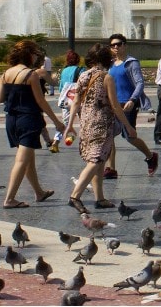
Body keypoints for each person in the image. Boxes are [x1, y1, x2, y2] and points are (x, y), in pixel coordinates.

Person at [64, 43, 138, 214]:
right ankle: (75, 196)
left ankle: (100, 198)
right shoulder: (107, 77)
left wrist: (70, 125)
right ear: (106, 59)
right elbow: (114, 105)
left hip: (86, 124)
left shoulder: (83, 76)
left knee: (100, 161)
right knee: (96, 160)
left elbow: (75, 102)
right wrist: (128, 126)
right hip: (102, 124)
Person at [0, 40, 64, 209]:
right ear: (28, 55)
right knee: (21, 160)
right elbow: (41, 101)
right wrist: (56, 121)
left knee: (28, 158)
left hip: (12, 120)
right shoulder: (31, 75)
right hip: (28, 120)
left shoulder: (6, 74)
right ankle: (10, 199)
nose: (35, 57)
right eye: (34, 54)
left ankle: (39, 192)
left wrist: (14, 93)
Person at [103, 33, 158, 179]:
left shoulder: (131, 62)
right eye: (112, 45)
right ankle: (111, 169)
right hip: (113, 104)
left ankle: (150, 156)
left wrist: (133, 100)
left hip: (128, 104)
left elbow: (140, 83)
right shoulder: (110, 64)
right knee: (109, 136)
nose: (115, 47)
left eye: (119, 44)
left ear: (124, 45)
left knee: (129, 136)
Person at [56, 49, 86, 126]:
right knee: (83, 121)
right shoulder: (81, 70)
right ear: (78, 60)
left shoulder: (64, 70)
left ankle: (69, 137)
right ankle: (83, 137)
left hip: (67, 99)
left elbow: (61, 87)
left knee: (67, 123)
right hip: (78, 98)